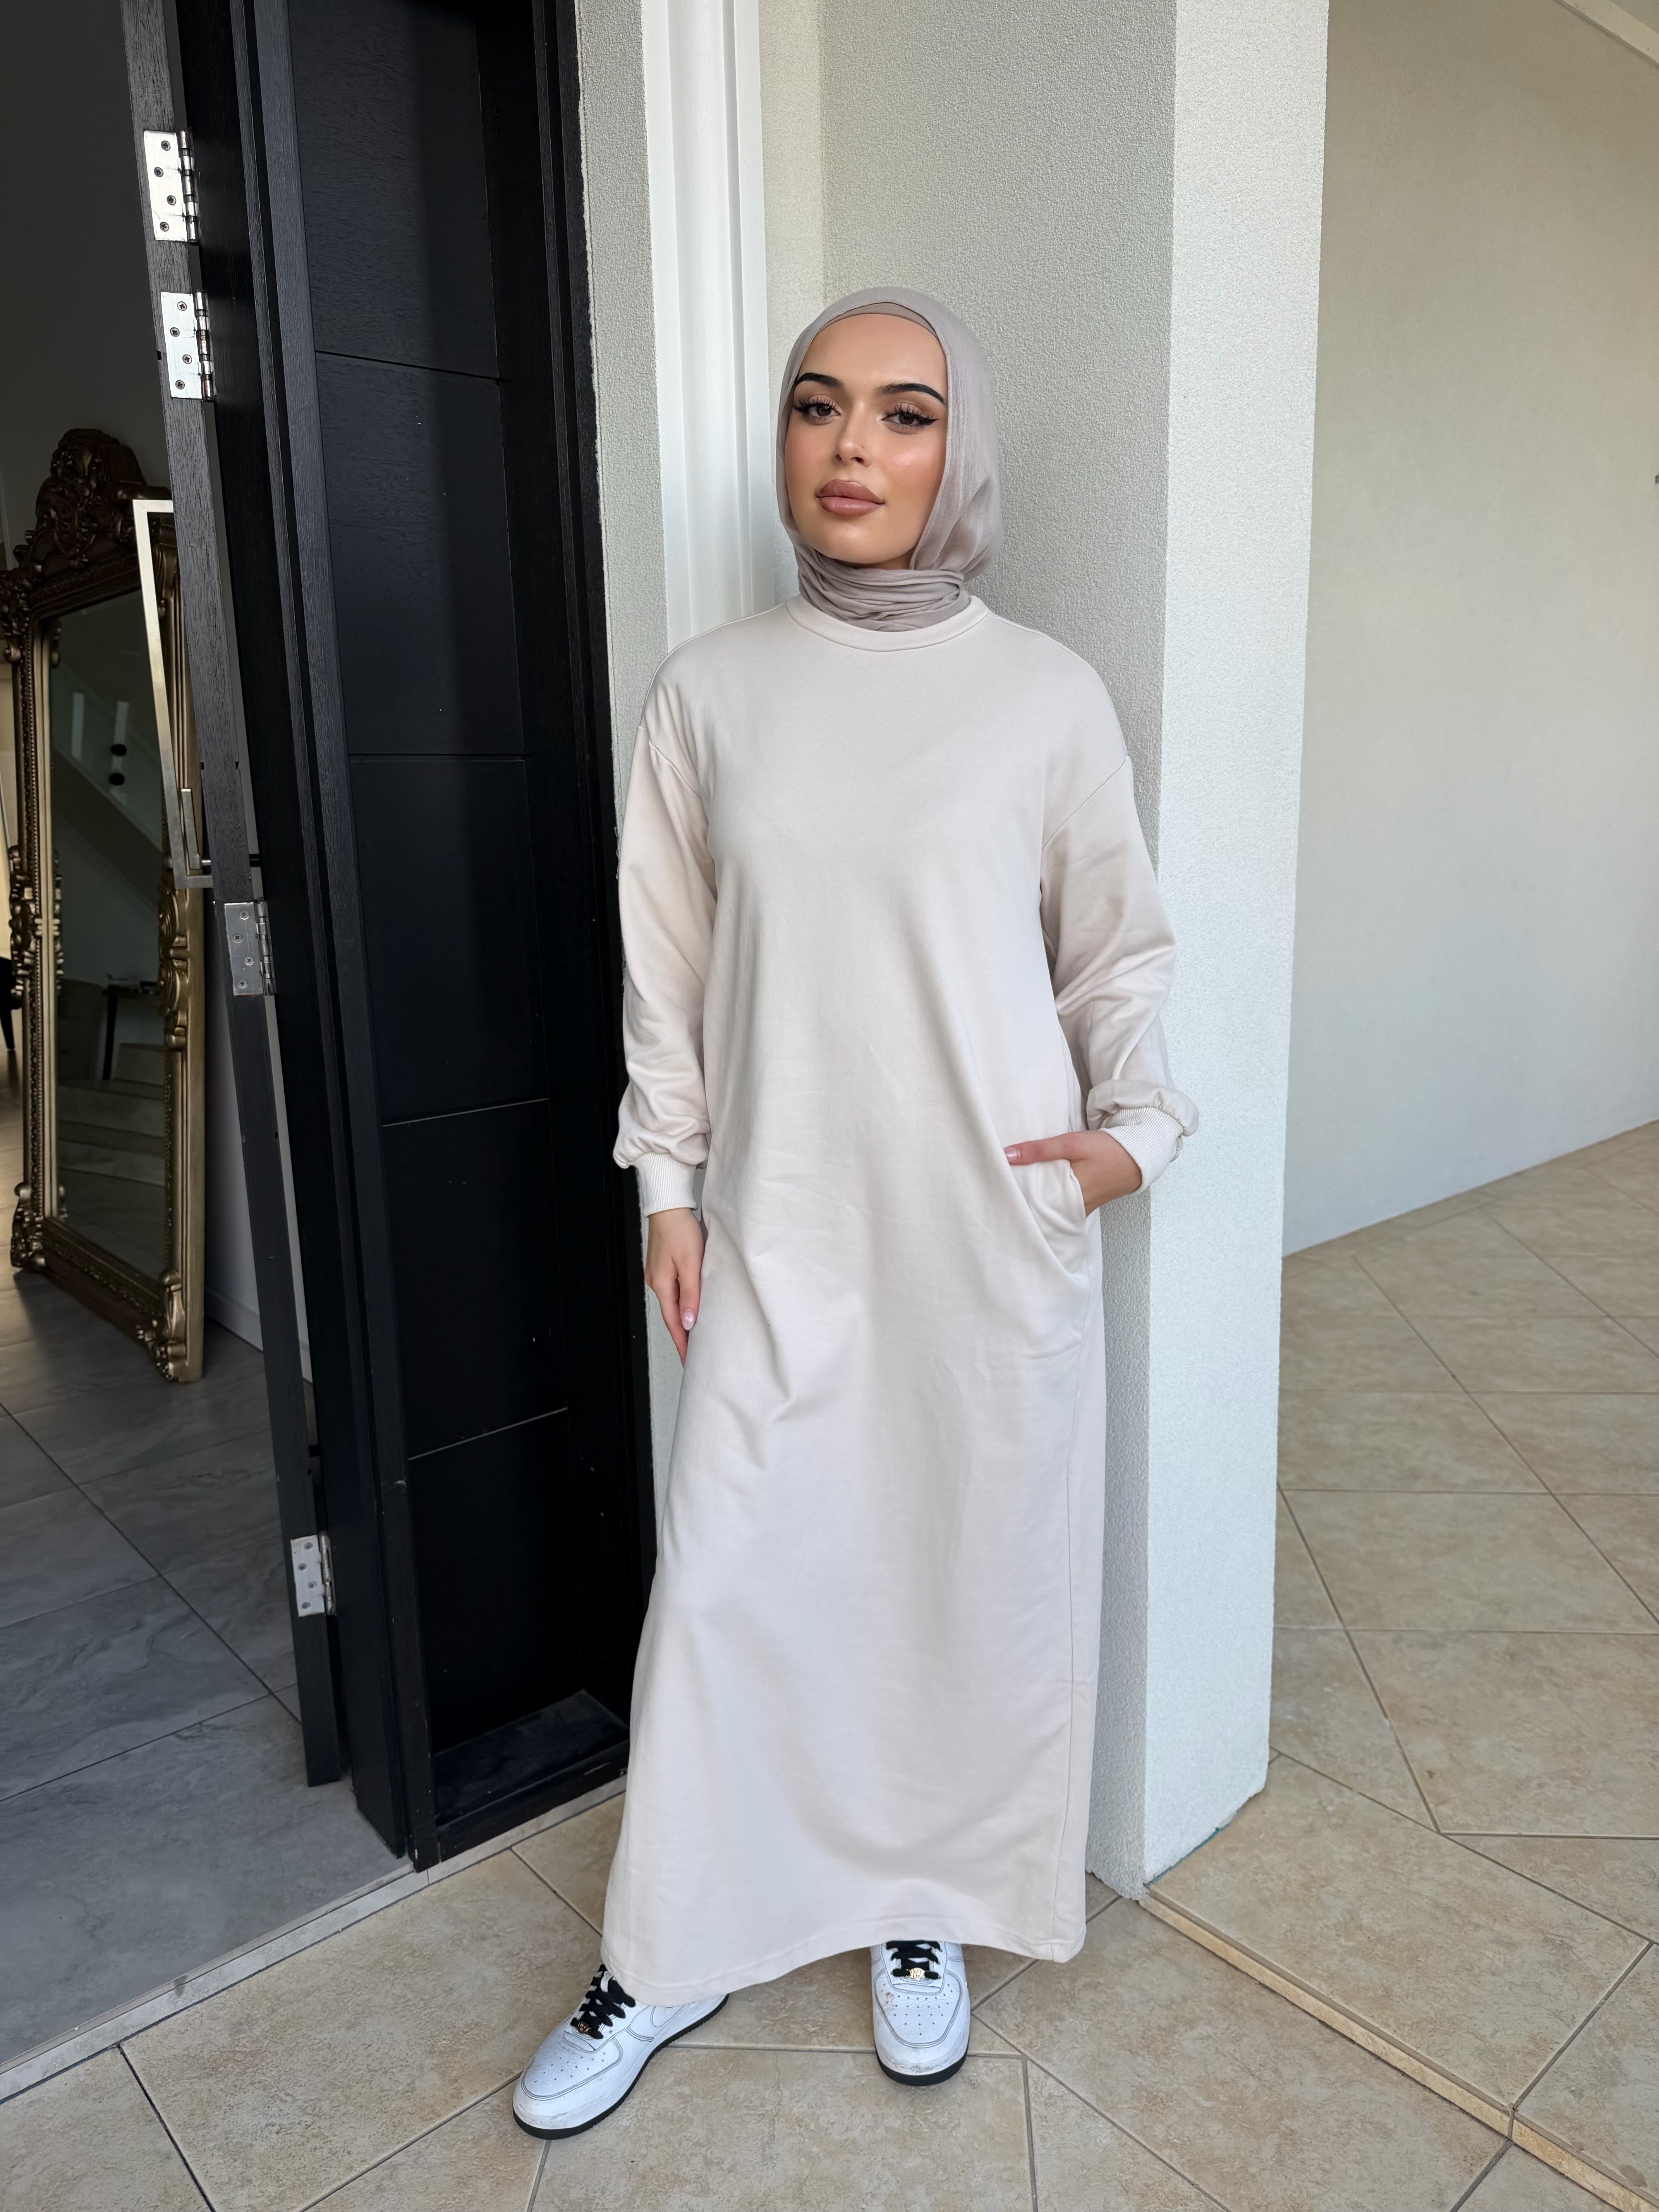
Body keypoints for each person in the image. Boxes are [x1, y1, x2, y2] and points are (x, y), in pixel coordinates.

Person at [514, 288, 1197, 2140]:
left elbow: (1115, 952)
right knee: (736, 1573)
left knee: (961, 1562)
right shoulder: (709, 693)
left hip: (988, 1222)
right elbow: (668, 972)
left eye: (904, 413)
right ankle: (671, 1942)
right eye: (819, 407)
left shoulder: (1044, 696)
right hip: (782, 1213)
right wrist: (670, 1184)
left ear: (958, 451)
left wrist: (1135, 1136)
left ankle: (924, 1902)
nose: (851, 449)